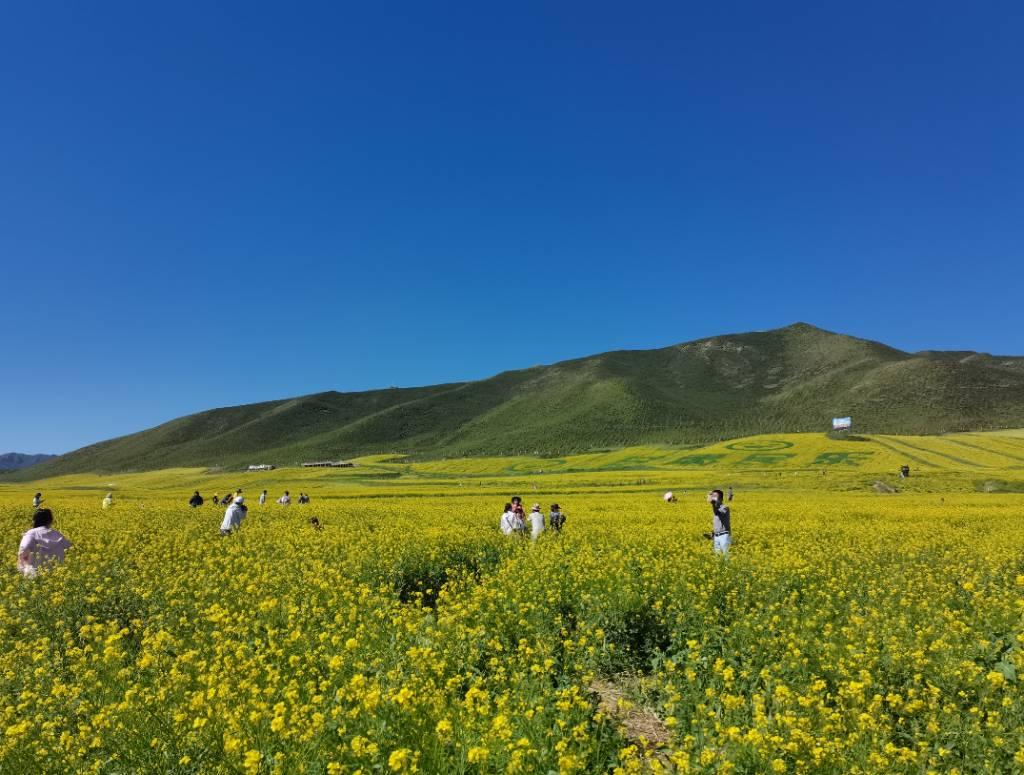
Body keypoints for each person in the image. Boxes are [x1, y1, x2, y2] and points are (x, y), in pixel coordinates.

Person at [18, 509, 72, 577]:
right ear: (50, 521)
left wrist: (25, 566)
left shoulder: (31, 534)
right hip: (58, 575)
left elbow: (23, 550)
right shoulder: (58, 534)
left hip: (36, 577)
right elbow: (70, 549)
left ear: (34, 521)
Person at [703, 489, 731, 556]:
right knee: (717, 557)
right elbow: (718, 522)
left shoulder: (725, 508)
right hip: (716, 536)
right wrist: (713, 533)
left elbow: (718, 511)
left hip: (724, 536)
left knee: (726, 556)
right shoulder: (715, 508)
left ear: (721, 499)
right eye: (713, 496)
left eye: (715, 496)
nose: (714, 498)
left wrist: (713, 503)